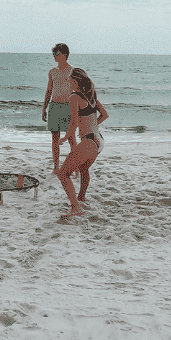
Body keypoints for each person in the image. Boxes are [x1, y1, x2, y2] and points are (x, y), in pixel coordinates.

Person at [57, 67, 108, 219]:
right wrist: (93, 125)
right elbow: (105, 115)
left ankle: (75, 208)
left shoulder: (74, 97)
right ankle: (81, 197)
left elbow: (73, 123)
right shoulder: (91, 96)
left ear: (75, 82)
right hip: (99, 141)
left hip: (89, 142)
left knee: (63, 173)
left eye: (69, 81)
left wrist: (65, 138)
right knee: (83, 168)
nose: (68, 83)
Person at [41, 43, 78, 174]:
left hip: (69, 107)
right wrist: (44, 107)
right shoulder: (52, 72)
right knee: (54, 137)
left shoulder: (73, 70)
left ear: (64, 54)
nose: (54, 56)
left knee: (71, 137)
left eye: (57, 54)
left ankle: (75, 167)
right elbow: (49, 90)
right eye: (53, 54)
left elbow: (79, 91)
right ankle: (56, 167)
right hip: (54, 106)